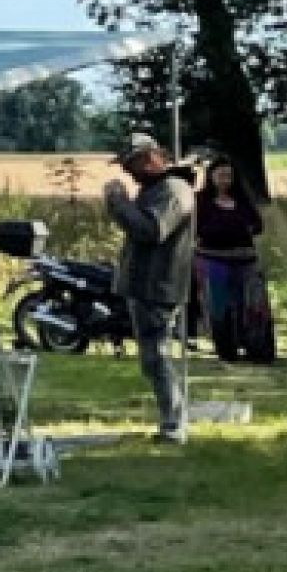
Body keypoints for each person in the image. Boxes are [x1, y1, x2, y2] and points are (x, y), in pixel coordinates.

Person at [106, 132, 201, 441]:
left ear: (150, 158)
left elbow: (151, 230)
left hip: (158, 286)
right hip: (146, 285)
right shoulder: (157, 189)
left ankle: (174, 424)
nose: (126, 172)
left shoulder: (174, 191)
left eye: (130, 164)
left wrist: (119, 204)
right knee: (152, 358)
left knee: (157, 357)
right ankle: (172, 419)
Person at [194, 152, 277, 366]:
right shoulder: (201, 200)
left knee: (254, 305)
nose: (225, 180)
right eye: (220, 175)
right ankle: (226, 350)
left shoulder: (242, 199)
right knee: (220, 307)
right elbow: (200, 229)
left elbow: (256, 225)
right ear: (211, 177)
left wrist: (239, 228)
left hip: (245, 259)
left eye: (228, 176)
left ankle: (258, 350)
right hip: (213, 259)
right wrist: (225, 229)